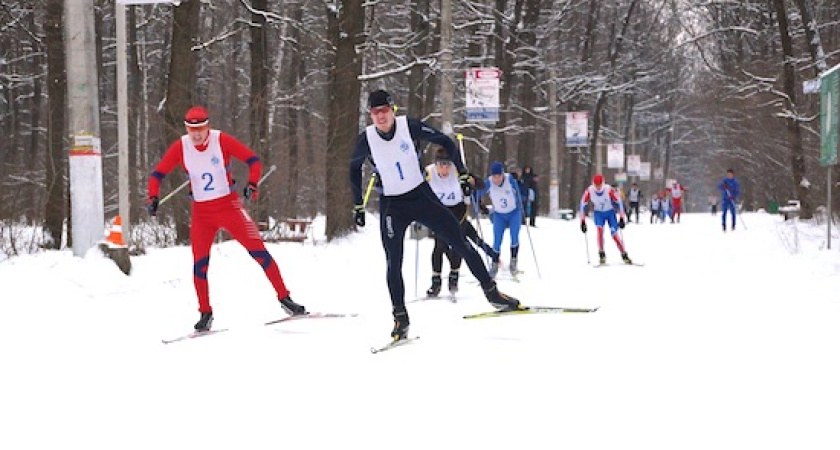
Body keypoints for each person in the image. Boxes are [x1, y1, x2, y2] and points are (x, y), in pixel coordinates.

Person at [349, 90, 524, 341]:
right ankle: (400, 318)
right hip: (392, 206)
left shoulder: (408, 126)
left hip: (421, 197)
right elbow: (353, 168)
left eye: (384, 111)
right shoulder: (365, 139)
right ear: (370, 115)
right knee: (393, 261)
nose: (380, 116)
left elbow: (446, 141)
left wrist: (462, 173)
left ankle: (493, 293)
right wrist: (357, 205)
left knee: (459, 241)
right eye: (375, 113)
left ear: (392, 110)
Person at [146, 106, 306, 331]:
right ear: (186, 129)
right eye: (192, 130)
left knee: (259, 251)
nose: (197, 134)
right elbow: (157, 174)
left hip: (229, 207)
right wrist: (152, 197)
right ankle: (205, 313)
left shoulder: (220, 140)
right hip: (201, 213)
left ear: (208, 126)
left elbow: (253, 160)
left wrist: (252, 184)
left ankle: (285, 298)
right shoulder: (180, 147)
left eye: (201, 128)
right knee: (199, 264)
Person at [424, 148, 499, 297]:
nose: (444, 169)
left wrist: (471, 182)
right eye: (441, 165)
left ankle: (454, 277)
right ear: (435, 164)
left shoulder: (458, 171)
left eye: (447, 165)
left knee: (457, 245)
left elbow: (481, 185)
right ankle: (436, 281)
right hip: (439, 211)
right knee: (439, 246)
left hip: (458, 211)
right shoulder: (428, 172)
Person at [475, 161, 526, 278]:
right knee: (497, 241)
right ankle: (494, 266)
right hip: (499, 215)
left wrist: (521, 199)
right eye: (494, 176)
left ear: (503, 174)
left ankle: (513, 263)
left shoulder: (510, 180)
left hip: (514, 212)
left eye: (499, 176)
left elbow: (520, 191)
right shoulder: (489, 182)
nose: (496, 179)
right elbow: (479, 192)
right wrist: (475, 195)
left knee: (514, 237)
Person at [579, 174, 632, 264]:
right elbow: (582, 204)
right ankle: (601, 253)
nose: (598, 188)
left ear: (603, 183)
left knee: (614, 234)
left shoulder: (608, 189)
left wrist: (622, 218)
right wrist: (582, 222)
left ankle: (624, 254)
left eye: (600, 185)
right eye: (596, 185)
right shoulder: (590, 190)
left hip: (610, 213)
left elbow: (619, 202)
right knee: (599, 231)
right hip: (598, 213)